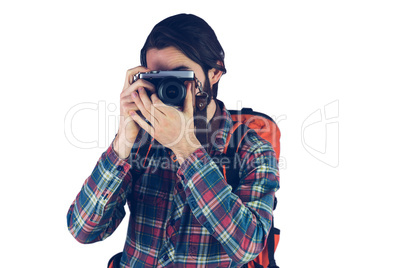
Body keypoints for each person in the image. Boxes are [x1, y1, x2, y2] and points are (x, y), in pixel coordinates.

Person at [67, 13, 279, 268]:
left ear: (214, 72)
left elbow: (248, 246)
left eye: (180, 76)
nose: (169, 88)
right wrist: (123, 141)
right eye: (158, 78)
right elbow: (83, 230)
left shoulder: (251, 149)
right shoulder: (139, 141)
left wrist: (186, 148)